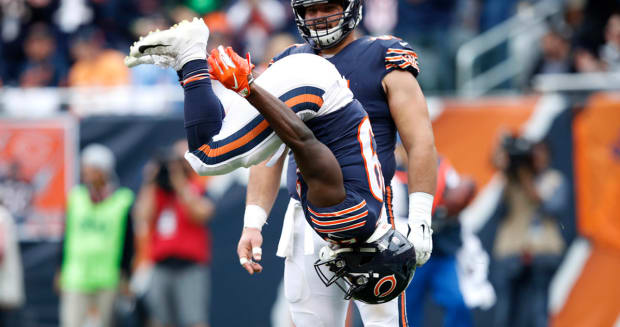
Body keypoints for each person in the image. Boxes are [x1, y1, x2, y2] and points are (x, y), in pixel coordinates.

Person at [124, 17, 417, 305]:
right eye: (357, 277)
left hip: (316, 89)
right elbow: (303, 142)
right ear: (371, 259)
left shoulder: (367, 216)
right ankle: (190, 55)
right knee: (206, 158)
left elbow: (291, 146)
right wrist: (248, 89)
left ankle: (187, 61)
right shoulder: (348, 223)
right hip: (313, 93)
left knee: (225, 138)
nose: (347, 276)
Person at [239, 0, 437, 326]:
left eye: (327, 7)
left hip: (370, 213)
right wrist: (253, 221)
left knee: (382, 322)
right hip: (306, 216)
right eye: (310, 10)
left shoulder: (382, 55)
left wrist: (419, 218)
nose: (318, 17)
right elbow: (267, 153)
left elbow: (420, 144)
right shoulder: (289, 62)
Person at [133, 141, 215, 327]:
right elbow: (142, 215)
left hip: (190, 266)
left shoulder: (195, 187)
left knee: (194, 320)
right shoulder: (156, 192)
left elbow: (203, 213)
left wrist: (180, 184)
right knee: (160, 320)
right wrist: (150, 181)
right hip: (161, 265)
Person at [491, 135, 567, 327]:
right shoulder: (511, 182)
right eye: (533, 154)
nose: (537, 158)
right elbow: (500, 211)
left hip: (543, 252)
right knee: (505, 309)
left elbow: (552, 208)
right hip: (511, 251)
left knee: (538, 309)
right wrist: (508, 170)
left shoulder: (554, 179)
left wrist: (526, 178)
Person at [392, 154, 476, 327]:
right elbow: (393, 219)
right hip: (410, 259)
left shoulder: (442, 168)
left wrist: (449, 209)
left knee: (456, 302)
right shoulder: (395, 176)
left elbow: (461, 192)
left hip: (441, 253)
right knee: (407, 313)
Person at [58, 144, 134, 327]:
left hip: (107, 277)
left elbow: (128, 241)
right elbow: (66, 235)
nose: (86, 173)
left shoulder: (121, 200)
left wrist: (126, 275)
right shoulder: (75, 198)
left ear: (103, 171)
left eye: (91, 168)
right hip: (76, 276)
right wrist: (59, 267)